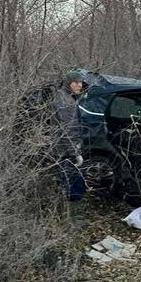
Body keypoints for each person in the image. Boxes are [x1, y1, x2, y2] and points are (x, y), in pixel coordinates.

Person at [50, 70, 87, 218]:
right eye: (76, 82)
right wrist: (75, 154)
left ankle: (62, 215)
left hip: (59, 149)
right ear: (68, 83)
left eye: (81, 82)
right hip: (66, 151)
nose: (80, 85)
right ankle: (74, 219)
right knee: (74, 185)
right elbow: (68, 131)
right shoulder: (66, 102)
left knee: (63, 183)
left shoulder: (61, 96)